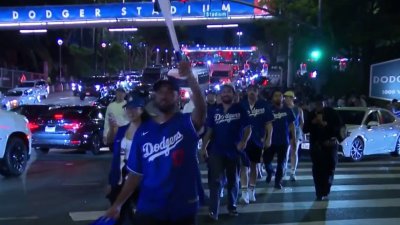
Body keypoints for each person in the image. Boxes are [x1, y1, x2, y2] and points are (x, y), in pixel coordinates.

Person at [105, 61, 206, 225]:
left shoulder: (186, 124)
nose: (164, 95)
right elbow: (135, 175)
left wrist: (191, 78)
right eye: (160, 92)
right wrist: (117, 205)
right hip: (149, 209)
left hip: (182, 208)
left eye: (169, 91)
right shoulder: (143, 132)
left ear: (177, 96)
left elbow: (201, 110)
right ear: (154, 96)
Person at [201, 84, 252, 221]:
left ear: (233, 95)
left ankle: (232, 206)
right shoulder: (214, 111)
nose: (225, 94)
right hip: (216, 150)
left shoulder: (240, 109)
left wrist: (244, 141)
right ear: (220, 95)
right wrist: (203, 147)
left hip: (234, 151)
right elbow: (209, 131)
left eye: (228, 92)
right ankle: (213, 211)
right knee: (215, 181)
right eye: (223, 92)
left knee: (233, 180)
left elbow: (248, 128)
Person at [107, 96, 148, 225]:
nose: (130, 112)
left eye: (134, 108)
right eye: (128, 108)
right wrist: (111, 181)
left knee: (143, 216)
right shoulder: (122, 130)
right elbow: (113, 149)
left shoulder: (148, 131)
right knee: (120, 217)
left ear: (142, 110)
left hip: (141, 180)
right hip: (120, 179)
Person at [304, 96, 343, 201]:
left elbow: (339, 127)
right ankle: (319, 192)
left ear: (324, 104)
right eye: (316, 104)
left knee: (330, 169)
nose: (318, 107)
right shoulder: (311, 114)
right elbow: (305, 129)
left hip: (330, 146)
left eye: (320, 104)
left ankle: (326, 189)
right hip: (317, 147)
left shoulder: (332, 113)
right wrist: (313, 122)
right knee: (317, 170)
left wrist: (326, 124)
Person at [239, 84, 273, 204]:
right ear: (247, 92)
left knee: (254, 166)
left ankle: (251, 190)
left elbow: (269, 124)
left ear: (257, 93)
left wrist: (269, 138)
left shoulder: (264, 105)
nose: (252, 93)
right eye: (250, 91)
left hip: (257, 140)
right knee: (244, 166)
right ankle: (244, 193)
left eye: (254, 91)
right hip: (244, 139)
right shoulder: (241, 105)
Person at [264, 90, 296, 189]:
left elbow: (292, 125)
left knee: (281, 163)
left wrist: (294, 139)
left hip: (283, 141)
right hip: (271, 140)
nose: (278, 98)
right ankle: (270, 172)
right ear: (273, 98)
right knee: (266, 161)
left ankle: (278, 182)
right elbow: (265, 124)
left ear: (283, 98)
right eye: (276, 96)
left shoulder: (288, 110)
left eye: (280, 96)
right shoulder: (269, 109)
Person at [283, 91, 304, 181]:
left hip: (296, 131)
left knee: (294, 151)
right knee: (285, 152)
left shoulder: (298, 109)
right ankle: (284, 170)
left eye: (288, 97)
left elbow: (301, 122)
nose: (286, 99)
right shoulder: (283, 109)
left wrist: (298, 132)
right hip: (285, 132)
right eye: (285, 97)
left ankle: (292, 172)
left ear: (292, 98)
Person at [103, 87, 129, 152]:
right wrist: (105, 135)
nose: (120, 94)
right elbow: (106, 121)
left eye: (122, 92)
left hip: (125, 133)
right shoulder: (110, 106)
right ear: (116, 93)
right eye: (118, 92)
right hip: (113, 134)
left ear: (125, 94)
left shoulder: (128, 105)